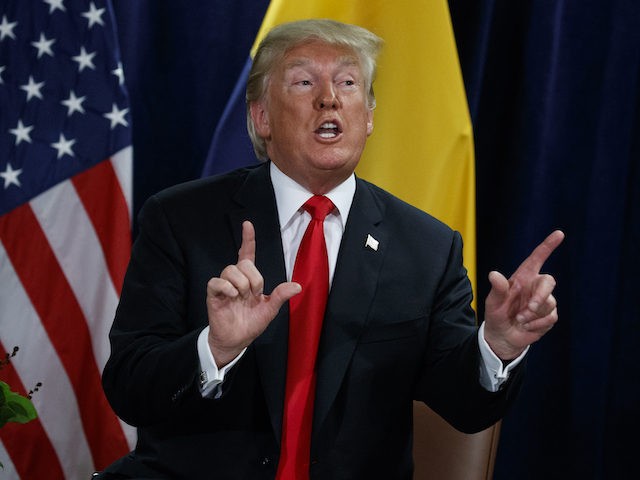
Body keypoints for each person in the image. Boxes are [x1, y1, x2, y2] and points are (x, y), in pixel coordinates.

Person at [98, 19, 564, 479]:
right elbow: (129, 388)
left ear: (369, 117)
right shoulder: (181, 219)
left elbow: (463, 407)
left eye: (347, 82)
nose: (330, 98)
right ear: (261, 117)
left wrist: (497, 347)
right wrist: (215, 349)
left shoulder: (428, 247)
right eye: (304, 81)